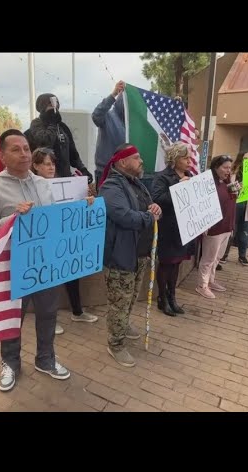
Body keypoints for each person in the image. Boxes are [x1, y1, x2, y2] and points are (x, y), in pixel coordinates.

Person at [0, 129, 70, 392]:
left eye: (27, 148)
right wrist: (11, 219)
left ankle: (46, 358)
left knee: (48, 314)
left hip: (45, 264)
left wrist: (81, 211)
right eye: (16, 149)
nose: (24, 154)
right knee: (11, 318)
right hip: (13, 266)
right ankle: (10, 363)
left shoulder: (42, 184)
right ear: (2, 155)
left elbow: (54, 220)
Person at [99, 143, 162, 367]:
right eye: (136, 158)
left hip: (139, 255)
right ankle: (115, 344)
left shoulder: (135, 184)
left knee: (130, 298)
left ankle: (123, 325)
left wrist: (155, 209)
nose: (141, 161)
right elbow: (125, 217)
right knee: (119, 302)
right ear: (123, 162)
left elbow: (149, 207)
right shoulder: (111, 186)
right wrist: (149, 217)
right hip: (120, 258)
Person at [31, 147, 99, 332]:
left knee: (72, 275)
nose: (51, 167)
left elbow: (71, 210)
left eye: (52, 163)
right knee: (47, 282)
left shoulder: (65, 184)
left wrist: (86, 201)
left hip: (64, 240)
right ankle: (49, 320)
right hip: (45, 242)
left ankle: (77, 312)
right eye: (46, 164)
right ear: (36, 166)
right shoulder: (31, 187)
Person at [151, 142, 196, 316]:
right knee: (166, 264)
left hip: (183, 228)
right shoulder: (162, 177)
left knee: (177, 263)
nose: (188, 161)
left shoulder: (189, 175)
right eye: (185, 158)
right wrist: (179, 187)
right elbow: (157, 198)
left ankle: (172, 296)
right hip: (168, 228)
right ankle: (162, 298)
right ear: (174, 159)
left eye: (189, 158)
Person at [25, 93, 93, 183]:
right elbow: (45, 143)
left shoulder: (62, 127)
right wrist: (52, 122)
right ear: (42, 106)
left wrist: (83, 169)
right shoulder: (36, 125)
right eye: (50, 104)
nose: (54, 107)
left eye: (56, 104)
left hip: (65, 177)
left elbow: (73, 153)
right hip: (44, 181)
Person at [196, 155, 238, 299]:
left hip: (227, 225)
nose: (228, 171)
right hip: (214, 227)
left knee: (217, 257)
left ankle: (211, 280)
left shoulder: (228, 182)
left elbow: (231, 202)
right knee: (208, 258)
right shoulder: (207, 183)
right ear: (215, 167)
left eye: (229, 168)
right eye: (225, 167)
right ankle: (202, 285)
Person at [92, 80, 126, 189]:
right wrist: (114, 94)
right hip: (106, 173)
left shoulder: (134, 123)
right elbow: (96, 115)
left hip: (126, 174)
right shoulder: (108, 116)